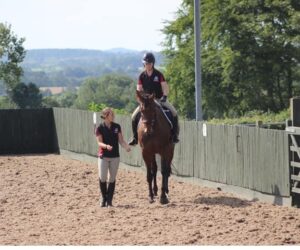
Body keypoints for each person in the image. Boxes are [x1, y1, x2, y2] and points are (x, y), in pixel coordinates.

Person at [128, 52, 179, 146]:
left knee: (174, 113)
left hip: (159, 99)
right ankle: (135, 138)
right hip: (146, 101)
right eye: (146, 63)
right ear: (144, 64)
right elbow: (139, 89)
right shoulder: (141, 76)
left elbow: (165, 87)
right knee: (133, 116)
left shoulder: (158, 74)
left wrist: (164, 96)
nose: (147, 65)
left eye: (149, 63)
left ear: (153, 63)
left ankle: (174, 135)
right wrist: (141, 99)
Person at [95, 107, 131, 207]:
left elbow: (121, 140)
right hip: (103, 156)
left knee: (112, 178)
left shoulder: (117, 126)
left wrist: (126, 147)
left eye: (113, 114)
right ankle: (103, 198)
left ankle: (109, 200)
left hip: (115, 156)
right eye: (111, 114)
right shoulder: (99, 128)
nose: (113, 116)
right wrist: (106, 146)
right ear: (106, 116)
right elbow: (99, 142)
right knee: (102, 178)